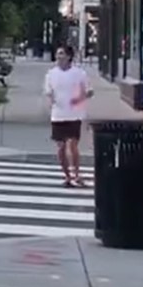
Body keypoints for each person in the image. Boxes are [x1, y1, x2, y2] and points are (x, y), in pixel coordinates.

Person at [44, 44, 93, 187]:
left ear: (69, 57)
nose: (58, 57)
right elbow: (49, 91)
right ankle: (67, 176)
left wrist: (79, 99)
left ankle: (76, 174)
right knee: (60, 147)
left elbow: (89, 91)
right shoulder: (51, 74)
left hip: (74, 114)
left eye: (61, 54)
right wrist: (52, 100)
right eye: (57, 54)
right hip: (58, 114)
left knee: (72, 145)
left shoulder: (79, 73)